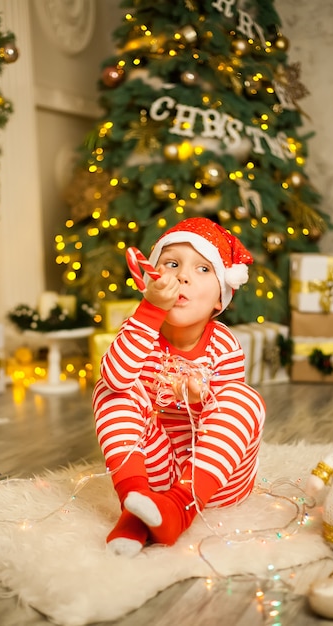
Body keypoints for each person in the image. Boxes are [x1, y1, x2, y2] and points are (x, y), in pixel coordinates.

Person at [93, 217, 266, 557]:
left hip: (211, 481)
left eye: (203, 270)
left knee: (243, 398)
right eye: (171, 264)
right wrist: (149, 311)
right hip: (155, 471)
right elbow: (115, 378)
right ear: (150, 281)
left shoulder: (224, 346)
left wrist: (203, 402)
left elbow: (231, 422)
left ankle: (178, 508)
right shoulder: (139, 329)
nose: (183, 275)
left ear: (221, 298)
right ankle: (134, 508)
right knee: (111, 388)